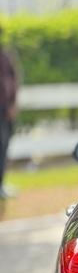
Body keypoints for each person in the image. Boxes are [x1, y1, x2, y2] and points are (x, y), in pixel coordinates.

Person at [0, 26, 18, 199]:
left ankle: (1, 184)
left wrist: (13, 104)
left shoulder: (6, 57)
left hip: (4, 110)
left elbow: (13, 81)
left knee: (3, 147)